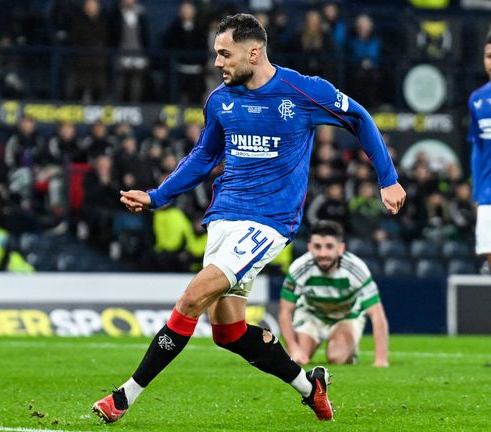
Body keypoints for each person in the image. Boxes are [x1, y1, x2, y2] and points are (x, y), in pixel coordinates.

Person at [93, 13, 406, 423]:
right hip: (224, 217)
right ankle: (310, 388)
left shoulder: (302, 91)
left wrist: (388, 179)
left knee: (191, 298)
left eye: (225, 54)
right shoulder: (221, 100)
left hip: (269, 221)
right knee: (228, 332)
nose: (218, 63)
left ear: (253, 53)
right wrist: (157, 197)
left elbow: (360, 118)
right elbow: (204, 157)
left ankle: (124, 397)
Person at [278, 220, 389, 367]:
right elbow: (284, 313)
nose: (323, 253)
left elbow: (377, 314)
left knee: (337, 358)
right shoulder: (299, 269)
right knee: (297, 358)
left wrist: (381, 359)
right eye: (317, 247)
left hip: (345, 316)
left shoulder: (357, 269)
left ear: (341, 248)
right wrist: (293, 348)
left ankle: (349, 350)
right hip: (311, 315)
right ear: (310, 247)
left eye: (329, 247)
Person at [467, 32, 491, 273]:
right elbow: (477, 146)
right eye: (488, 56)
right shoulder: (477, 99)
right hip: (487, 195)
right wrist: (476, 191)